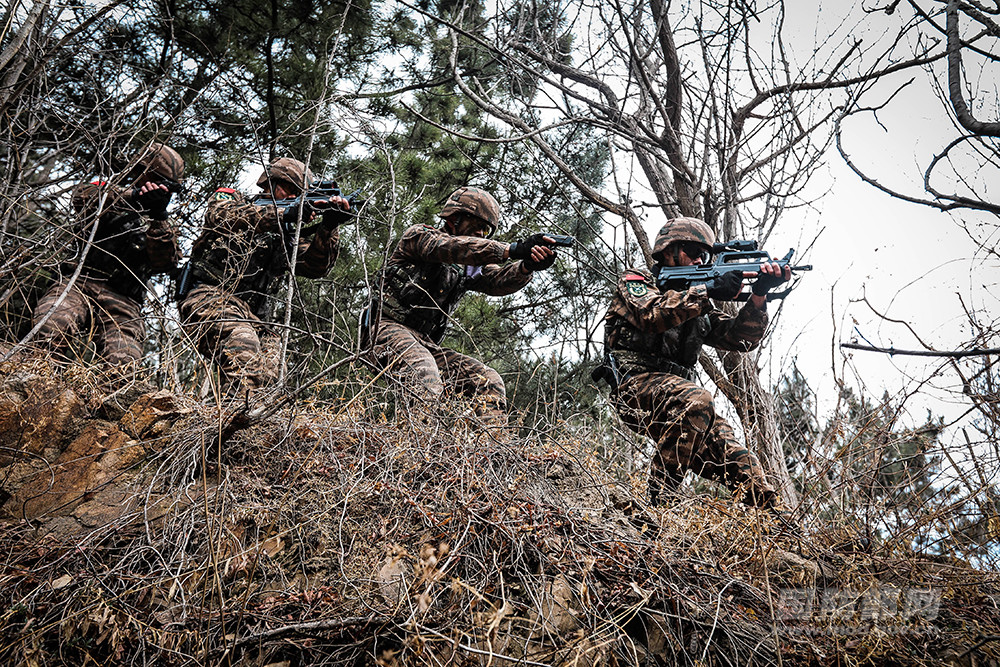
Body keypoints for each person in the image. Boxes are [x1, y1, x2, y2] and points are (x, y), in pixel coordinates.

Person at [601, 217, 791, 508]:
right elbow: (651, 315)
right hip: (634, 388)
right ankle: (658, 505)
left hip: (684, 408)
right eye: (692, 250)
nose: (700, 259)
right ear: (668, 251)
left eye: (705, 254)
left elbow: (741, 339)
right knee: (698, 399)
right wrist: (708, 290)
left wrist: (759, 294)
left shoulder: (699, 303)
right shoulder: (638, 281)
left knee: (740, 459)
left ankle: (777, 529)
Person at [368, 186, 558, 421]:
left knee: (488, 382)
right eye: (475, 224)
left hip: (426, 343)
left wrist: (526, 266)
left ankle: (491, 454)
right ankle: (413, 452)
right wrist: (512, 249)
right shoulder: (419, 237)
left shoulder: (468, 265)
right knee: (424, 374)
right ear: (453, 218)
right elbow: (455, 248)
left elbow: (496, 280)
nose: (480, 232)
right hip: (384, 329)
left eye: (486, 229)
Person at [179, 157, 349, 395]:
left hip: (256, 317)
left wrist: (328, 228)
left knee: (271, 376)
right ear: (269, 183)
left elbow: (314, 266)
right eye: (287, 190)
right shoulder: (234, 201)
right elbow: (219, 217)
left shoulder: (288, 236)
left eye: (297, 194)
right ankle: (231, 427)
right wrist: (283, 214)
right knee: (244, 353)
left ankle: (238, 425)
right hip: (211, 297)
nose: (291, 197)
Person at [32, 142, 184, 369]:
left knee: (123, 365)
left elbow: (163, 262)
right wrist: (134, 197)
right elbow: (83, 197)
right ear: (141, 173)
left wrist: (159, 217)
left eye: (167, 187)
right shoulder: (108, 191)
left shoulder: (161, 224)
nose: (161, 189)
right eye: (157, 180)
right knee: (50, 328)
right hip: (80, 282)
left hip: (124, 299)